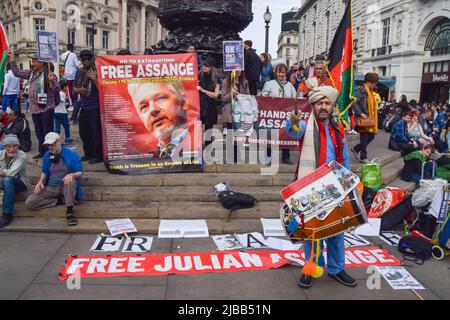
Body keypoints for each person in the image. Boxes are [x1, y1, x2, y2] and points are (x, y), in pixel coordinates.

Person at [285, 85, 356, 289]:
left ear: (332, 106)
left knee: (336, 229)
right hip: (309, 187)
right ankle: (312, 267)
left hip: (334, 186)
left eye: (327, 103)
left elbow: (344, 158)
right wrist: (294, 120)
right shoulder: (304, 126)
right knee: (311, 231)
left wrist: (349, 183)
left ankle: (337, 268)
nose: (324, 107)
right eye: (320, 103)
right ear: (313, 105)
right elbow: (292, 131)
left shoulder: (338, 129)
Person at [8, 50, 59, 160]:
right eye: (32, 61)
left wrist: (52, 81)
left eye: (34, 61)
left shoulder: (49, 74)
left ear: (41, 62)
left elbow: (56, 89)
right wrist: (12, 58)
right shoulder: (31, 73)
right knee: (39, 132)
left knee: (48, 133)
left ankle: (51, 153)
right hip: (34, 109)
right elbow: (17, 73)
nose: (32, 63)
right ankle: (42, 152)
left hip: (46, 108)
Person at [128, 81, 200, 159]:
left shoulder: (200, 146)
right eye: (144, 106)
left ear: (183, 101)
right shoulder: (142, 160)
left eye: (160, 98)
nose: (152, 110)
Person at [25, 132, 83, 227]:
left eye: (52, 144)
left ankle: (70, 212)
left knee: (70, 181)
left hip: (66, 186)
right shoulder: (47, 155)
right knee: (30, 203)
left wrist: (72, 174)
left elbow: (80, 172)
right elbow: (44, 171)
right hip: (52, 186)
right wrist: (40, 182)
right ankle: (59, 201)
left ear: (59, 142)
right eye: (48, 145)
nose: (50, 147)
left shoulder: (72, 154)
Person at [261, 63, 297, 164]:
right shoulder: (270, 83)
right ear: (275, 73)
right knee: (271, 136)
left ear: (286, 73)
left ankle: (286, 157)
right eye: (279, 72)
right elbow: (263, 98)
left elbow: (295, 99)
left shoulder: (289, 85)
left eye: (283, 72)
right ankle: (269, 157)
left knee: (286, 135)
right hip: (273, 116)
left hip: (285, 116)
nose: (281, 74)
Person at [73, 49, 103, 164]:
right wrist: (78, 90)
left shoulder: (98, 70)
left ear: (92, 59)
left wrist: (94, 78)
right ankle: (88, 153)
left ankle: (97, 156)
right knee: (84, 132)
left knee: (96, 133)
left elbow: (103, 90)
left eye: (88, 59)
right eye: (83, 59)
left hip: (95, 106)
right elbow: (74, 88)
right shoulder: (79, 72)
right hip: (84, 105)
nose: (86, 61)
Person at [0, 135, 30, 228]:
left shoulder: (22, 155)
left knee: (7, 179)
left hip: (20, 182)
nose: (12, 149)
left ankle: (7, 214)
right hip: (3, 181)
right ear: (4, 147)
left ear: (18, 146)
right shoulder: (1, 153)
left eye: (15, 146)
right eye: (9, 146)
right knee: (5, 180)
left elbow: (11, 173)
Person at [351, 72, 379, 163]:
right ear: (369, 82)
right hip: (363, 118)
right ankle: (363, 157)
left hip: (369, 118)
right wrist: (360, 113)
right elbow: (354, 102)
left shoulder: (369, 91)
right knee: (365, 138)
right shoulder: (361, 90)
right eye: (374, 83)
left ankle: (356, 149)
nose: (374, 85)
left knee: (370, 137)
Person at [197, 57, 220, 134]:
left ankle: (208, 145)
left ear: (211, 67)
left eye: (207, 66)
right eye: (203, 65)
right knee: (198, 127)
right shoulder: (199, 75)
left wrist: (202, 90)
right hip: (199, 108)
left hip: (210, 107)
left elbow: (215, 95)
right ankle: (198, 145)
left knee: (209, 129)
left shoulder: (216, 78)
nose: (204, 67)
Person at [54, 80, 73, 145]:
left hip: (56, 112)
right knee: (66, 126)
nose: (67, 88)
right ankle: (67, 138)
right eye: (66, 86)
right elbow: (60, 101)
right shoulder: (62, 94)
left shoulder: (56, 93)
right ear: (64, 87)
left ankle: (55, 140)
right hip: (62, 113)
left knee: (57, 127)